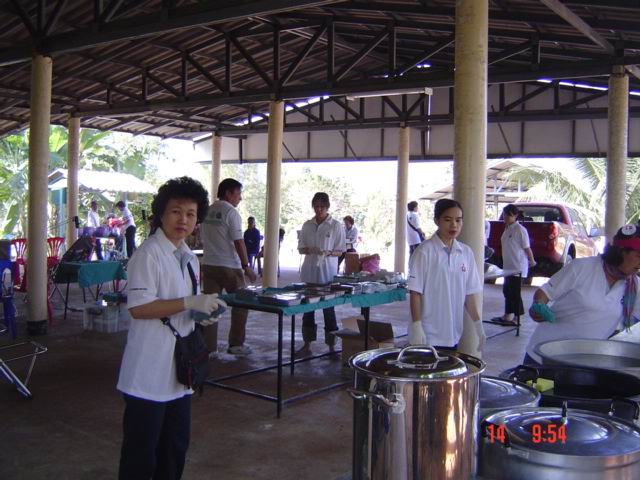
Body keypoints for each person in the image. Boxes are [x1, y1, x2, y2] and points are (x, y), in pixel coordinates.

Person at [117, 176, 226, 480]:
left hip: (180, 372)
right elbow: (139, 308)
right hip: (148, 372)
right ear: (161, 214)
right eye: (176, 212)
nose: (183, 220)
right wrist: (190, 301)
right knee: (141, 456)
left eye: (191, 214)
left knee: (174, 450)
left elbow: (183, 305)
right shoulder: (148, 254)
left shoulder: (189, 257)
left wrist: (200, 313)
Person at [523, 224, 640, 365]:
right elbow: (545, 292)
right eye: (638, 255)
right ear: (620, 251)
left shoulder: (634, 286)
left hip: (584, 363)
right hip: (544, 356)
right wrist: (538, 305)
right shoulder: (582, 268)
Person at [407, 198, 485, 350]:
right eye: (448, 220)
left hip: (453, 334)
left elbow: (469, 293)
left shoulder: (466, 253)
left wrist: (478, 324)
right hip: (427, 335)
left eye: (458, 220)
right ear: (437, 220)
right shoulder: (424, 252)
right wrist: (416, 325)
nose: (454, 225)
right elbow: (415, 292)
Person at [201, 178, 257, 356]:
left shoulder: (207, 211)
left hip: (209, 265)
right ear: (228, 193)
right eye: (238, 193)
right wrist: (246, 266)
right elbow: (239, 242)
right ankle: (236, 344)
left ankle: (209, 348)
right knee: (242, 303)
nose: (240, 198)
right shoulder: (231, 213)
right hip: (229, 266)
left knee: (210, 306)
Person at [297, 192, 346, 356]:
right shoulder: (307, 225)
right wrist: (310, 249)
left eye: (322, 207)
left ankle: (331, 346)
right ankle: (307, 344)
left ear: (327, 207)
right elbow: (301, 248)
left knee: (328, 310)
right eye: (316, 206)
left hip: (327, 275)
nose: (318, 210)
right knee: (308, 309)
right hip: (310, 273)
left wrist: (329, 252)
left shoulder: (335, 225)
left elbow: (341, 251)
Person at [491, 204, 536, 326]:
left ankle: (517, 318)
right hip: (508, 266)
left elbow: (527, 247)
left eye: (509, 215)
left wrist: (532, 260)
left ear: (515, 216)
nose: (505, 217)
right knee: (507, 290)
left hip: (517, 266)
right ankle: (507, 315)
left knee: (515, 292)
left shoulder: (520, 230)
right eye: (505, 215)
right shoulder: (507, 229)